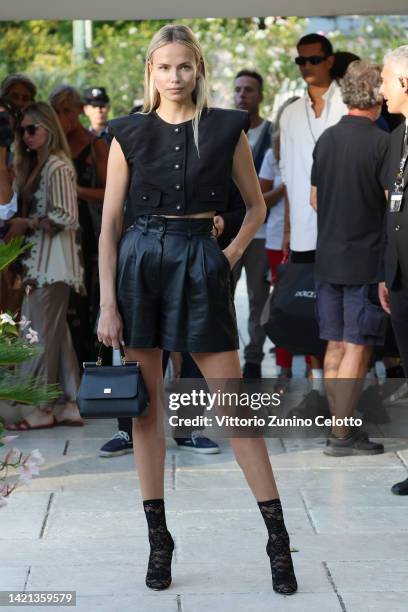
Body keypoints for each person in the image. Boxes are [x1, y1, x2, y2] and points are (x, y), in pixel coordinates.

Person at [97, 24, 297, 595]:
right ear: (150, 73)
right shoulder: (127, 133)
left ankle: (278, 542)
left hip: (199, 266)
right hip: (139, 268)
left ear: (199, 68)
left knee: (234, 411)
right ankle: (159, 543)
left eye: (184, 66)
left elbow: (254, 207)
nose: (175, 77)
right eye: (164, 67)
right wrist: (108, 303)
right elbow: (110, 226)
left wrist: (227, 257)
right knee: (145, 412)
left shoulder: (228, 128)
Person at [311, 60, 388, 456]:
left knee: (336, 345)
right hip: (366, 259)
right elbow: (394, 207)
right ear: (379, 95)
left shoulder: (326, 140)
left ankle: (338, 427)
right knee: (358, 345)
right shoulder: (383, 143)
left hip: (328, 257)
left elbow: (314, 199)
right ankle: (342, 434)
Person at [0, 102, 85, 430]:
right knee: (56, 335)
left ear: (50, 129)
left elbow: (67, 216)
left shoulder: (57, 165)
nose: (26, 135)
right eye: (23, 130)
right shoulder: (37, 164)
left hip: (52, 266)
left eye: (32, 129)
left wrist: (28, 223)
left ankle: (41, 407)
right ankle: (71, 403)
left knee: (39, 337)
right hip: (41, 264)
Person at [279, 33, 347, 398]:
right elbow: (289, 175)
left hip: (344, 227)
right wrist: (289, 228)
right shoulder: (290, 113)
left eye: (314, 60)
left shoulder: (347, 105)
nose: (307, 67)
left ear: (329, 60)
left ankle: (346, 393)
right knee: (308, 309)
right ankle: (318, 390)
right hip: (305, 229)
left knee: (343, 311)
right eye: (301, 61)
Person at [49, 85, 109, 365]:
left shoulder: (95, 145)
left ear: (78, 112)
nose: (64, 118)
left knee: (88, 303)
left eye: (67, 111)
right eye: (57, 111)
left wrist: (76, 192)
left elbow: (112, 193)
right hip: (55, 234)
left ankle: (91, 370)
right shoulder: (47, 145)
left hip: (88, 233)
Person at [378, 45, 408, 494]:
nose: (380, 90)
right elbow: (392, 205)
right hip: (401, 278)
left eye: (385, 80)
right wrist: (387, 271)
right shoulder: (398, 136)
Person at [231, 70, 271, 379]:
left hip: (261, 232)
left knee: (259, 296)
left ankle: (254, 357)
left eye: (249, 90)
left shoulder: (271, 133)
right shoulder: (226, 130)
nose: (242, 95)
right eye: (238, 90)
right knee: (222, 296)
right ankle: (225, 354)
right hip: (230, 229)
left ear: (259, 95)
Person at [259, 97, 299, 386]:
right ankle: (283, 368)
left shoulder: (316, 148)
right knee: (283, 305)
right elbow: (258, 199)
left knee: (312, 301)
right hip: (277, 238)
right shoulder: (274, 154)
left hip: (312, 236)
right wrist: (286, 187)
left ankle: (313, 368)